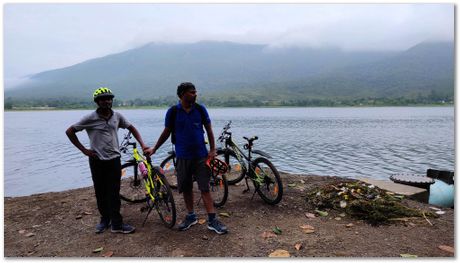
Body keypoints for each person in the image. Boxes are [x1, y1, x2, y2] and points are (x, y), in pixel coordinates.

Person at [144, 82, 228, 235]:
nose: (195, 94)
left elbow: (209, 130)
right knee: (186, 188)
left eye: (195, 92)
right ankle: (191, 216)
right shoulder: (173, 112)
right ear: (182, 94)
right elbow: (166, 132)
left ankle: (212, 219)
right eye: (191, 92)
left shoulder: (200, 109)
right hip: (182, 157)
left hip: (201, 157)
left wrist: (213, 150)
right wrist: (154, 148)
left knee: (205, 188)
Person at [66, 87, 148, 234]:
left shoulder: (117, 116)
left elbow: (132, 128)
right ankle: (105, 219)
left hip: (114, 160)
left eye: (109, 98)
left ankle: (117, 224)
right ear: (97, 102)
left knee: (114, 192)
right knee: (100, 191)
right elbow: (70, 131)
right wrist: (84, 150)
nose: (107, 101)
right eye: (103, 99)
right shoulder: (89, 118)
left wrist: (142, 144)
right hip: (97, 160)